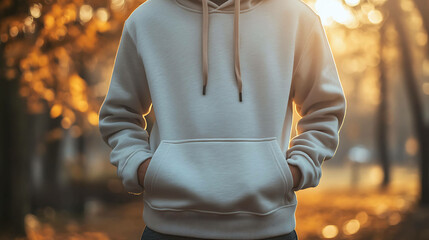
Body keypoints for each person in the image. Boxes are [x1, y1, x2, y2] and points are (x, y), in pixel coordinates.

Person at [98, 0, 347, 238]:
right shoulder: (146, 20)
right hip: (168, 228)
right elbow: (119, 115)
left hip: (269, 230)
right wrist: (143, 169)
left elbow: (324, 109)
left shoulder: (297, 18)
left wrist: (295, 170)